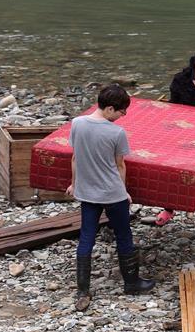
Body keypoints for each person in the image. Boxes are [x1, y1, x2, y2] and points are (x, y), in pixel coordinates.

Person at [66, 84, 155, 312]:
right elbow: (120, 165)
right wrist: (123, 191)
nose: (122, 116)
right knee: (123, 235)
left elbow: (75, 158)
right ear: (109, 109)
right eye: (121, 112)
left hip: (87, 192)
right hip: (112, 193)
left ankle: (83, 289)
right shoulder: (116, 133)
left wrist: (74, 184)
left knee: (86, 237)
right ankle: (131, 283)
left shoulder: (77, 123)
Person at [155, 45, 195, 229]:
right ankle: (168, 209)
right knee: (173, 170)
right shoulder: (180, 79)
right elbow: (173, 107)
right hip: (178, 132)